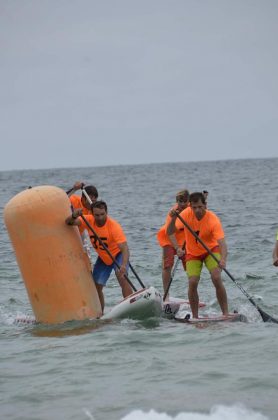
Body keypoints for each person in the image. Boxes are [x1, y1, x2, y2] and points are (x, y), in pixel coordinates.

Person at [166, 191, 228, 319]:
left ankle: (225, 314)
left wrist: (223, 259)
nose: (197, 210)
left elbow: (222, 243)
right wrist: (177, 247)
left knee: (216, 277)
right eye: (194, 208)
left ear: (205, 205)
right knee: (193, 282)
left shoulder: (213, 219)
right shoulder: (186, 214)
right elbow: (170, 232)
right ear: (191, 206)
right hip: (192, 253)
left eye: (200, 207)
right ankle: (195, 317)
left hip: (211, 250)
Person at [65, 200, 133, 313]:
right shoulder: (88, 220)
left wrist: (124, 265)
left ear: (106, 212)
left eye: (102, 214)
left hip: (117, 254)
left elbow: (125, 248)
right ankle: (100, 314)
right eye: (97, 215)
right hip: (104, 257)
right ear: (92, 214)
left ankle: (131, 307)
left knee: (122, 277)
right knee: (96, 286)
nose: (100, 218)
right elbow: (68, 222)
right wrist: (73, 215)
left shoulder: (114, 226)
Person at [157, 190, 190, 299]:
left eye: (185, 201)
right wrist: (177, 248)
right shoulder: (173, 212)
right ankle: (166, 295)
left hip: (184, 240)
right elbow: (169, 233)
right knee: (167, 265)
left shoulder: (191, 209)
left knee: (190, 265)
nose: (182, 204)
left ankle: (192, 293)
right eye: (180, 201)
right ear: (177, 202)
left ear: (188, 201)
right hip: (169, 238)